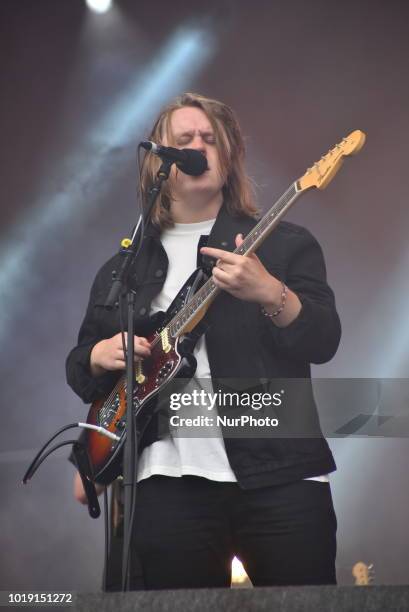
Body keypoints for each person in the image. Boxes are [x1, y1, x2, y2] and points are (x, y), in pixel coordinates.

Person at [66, 92, 341, 590]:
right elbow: (79, 367)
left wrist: (270, 292)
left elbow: (323, 339)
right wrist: (98, 355)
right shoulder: (125, 267)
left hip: (280, 473)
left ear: (230, 156)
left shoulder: (282, 243)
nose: (199, 147)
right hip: (168, 486)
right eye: (184, 140)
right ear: (158, 162)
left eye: (210, 139)